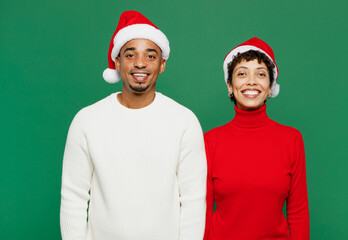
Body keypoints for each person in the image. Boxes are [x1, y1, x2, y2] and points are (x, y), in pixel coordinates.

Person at [60, 11, 207, 240]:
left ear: (162, 65)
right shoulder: (87, 120)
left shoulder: (184, 121)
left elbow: (193, 200)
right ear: (117, 62)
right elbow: (73, 196)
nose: (140, 63)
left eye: (150, 56)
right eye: (130, 55)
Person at [204, 37, 309, 240]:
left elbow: (298, 213)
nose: (251, 81)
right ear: (229, 85)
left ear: (270, 87)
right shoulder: (210, 141)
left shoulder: (292, 139)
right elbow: (204, 212)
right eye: (242, 73)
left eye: (260, 74)